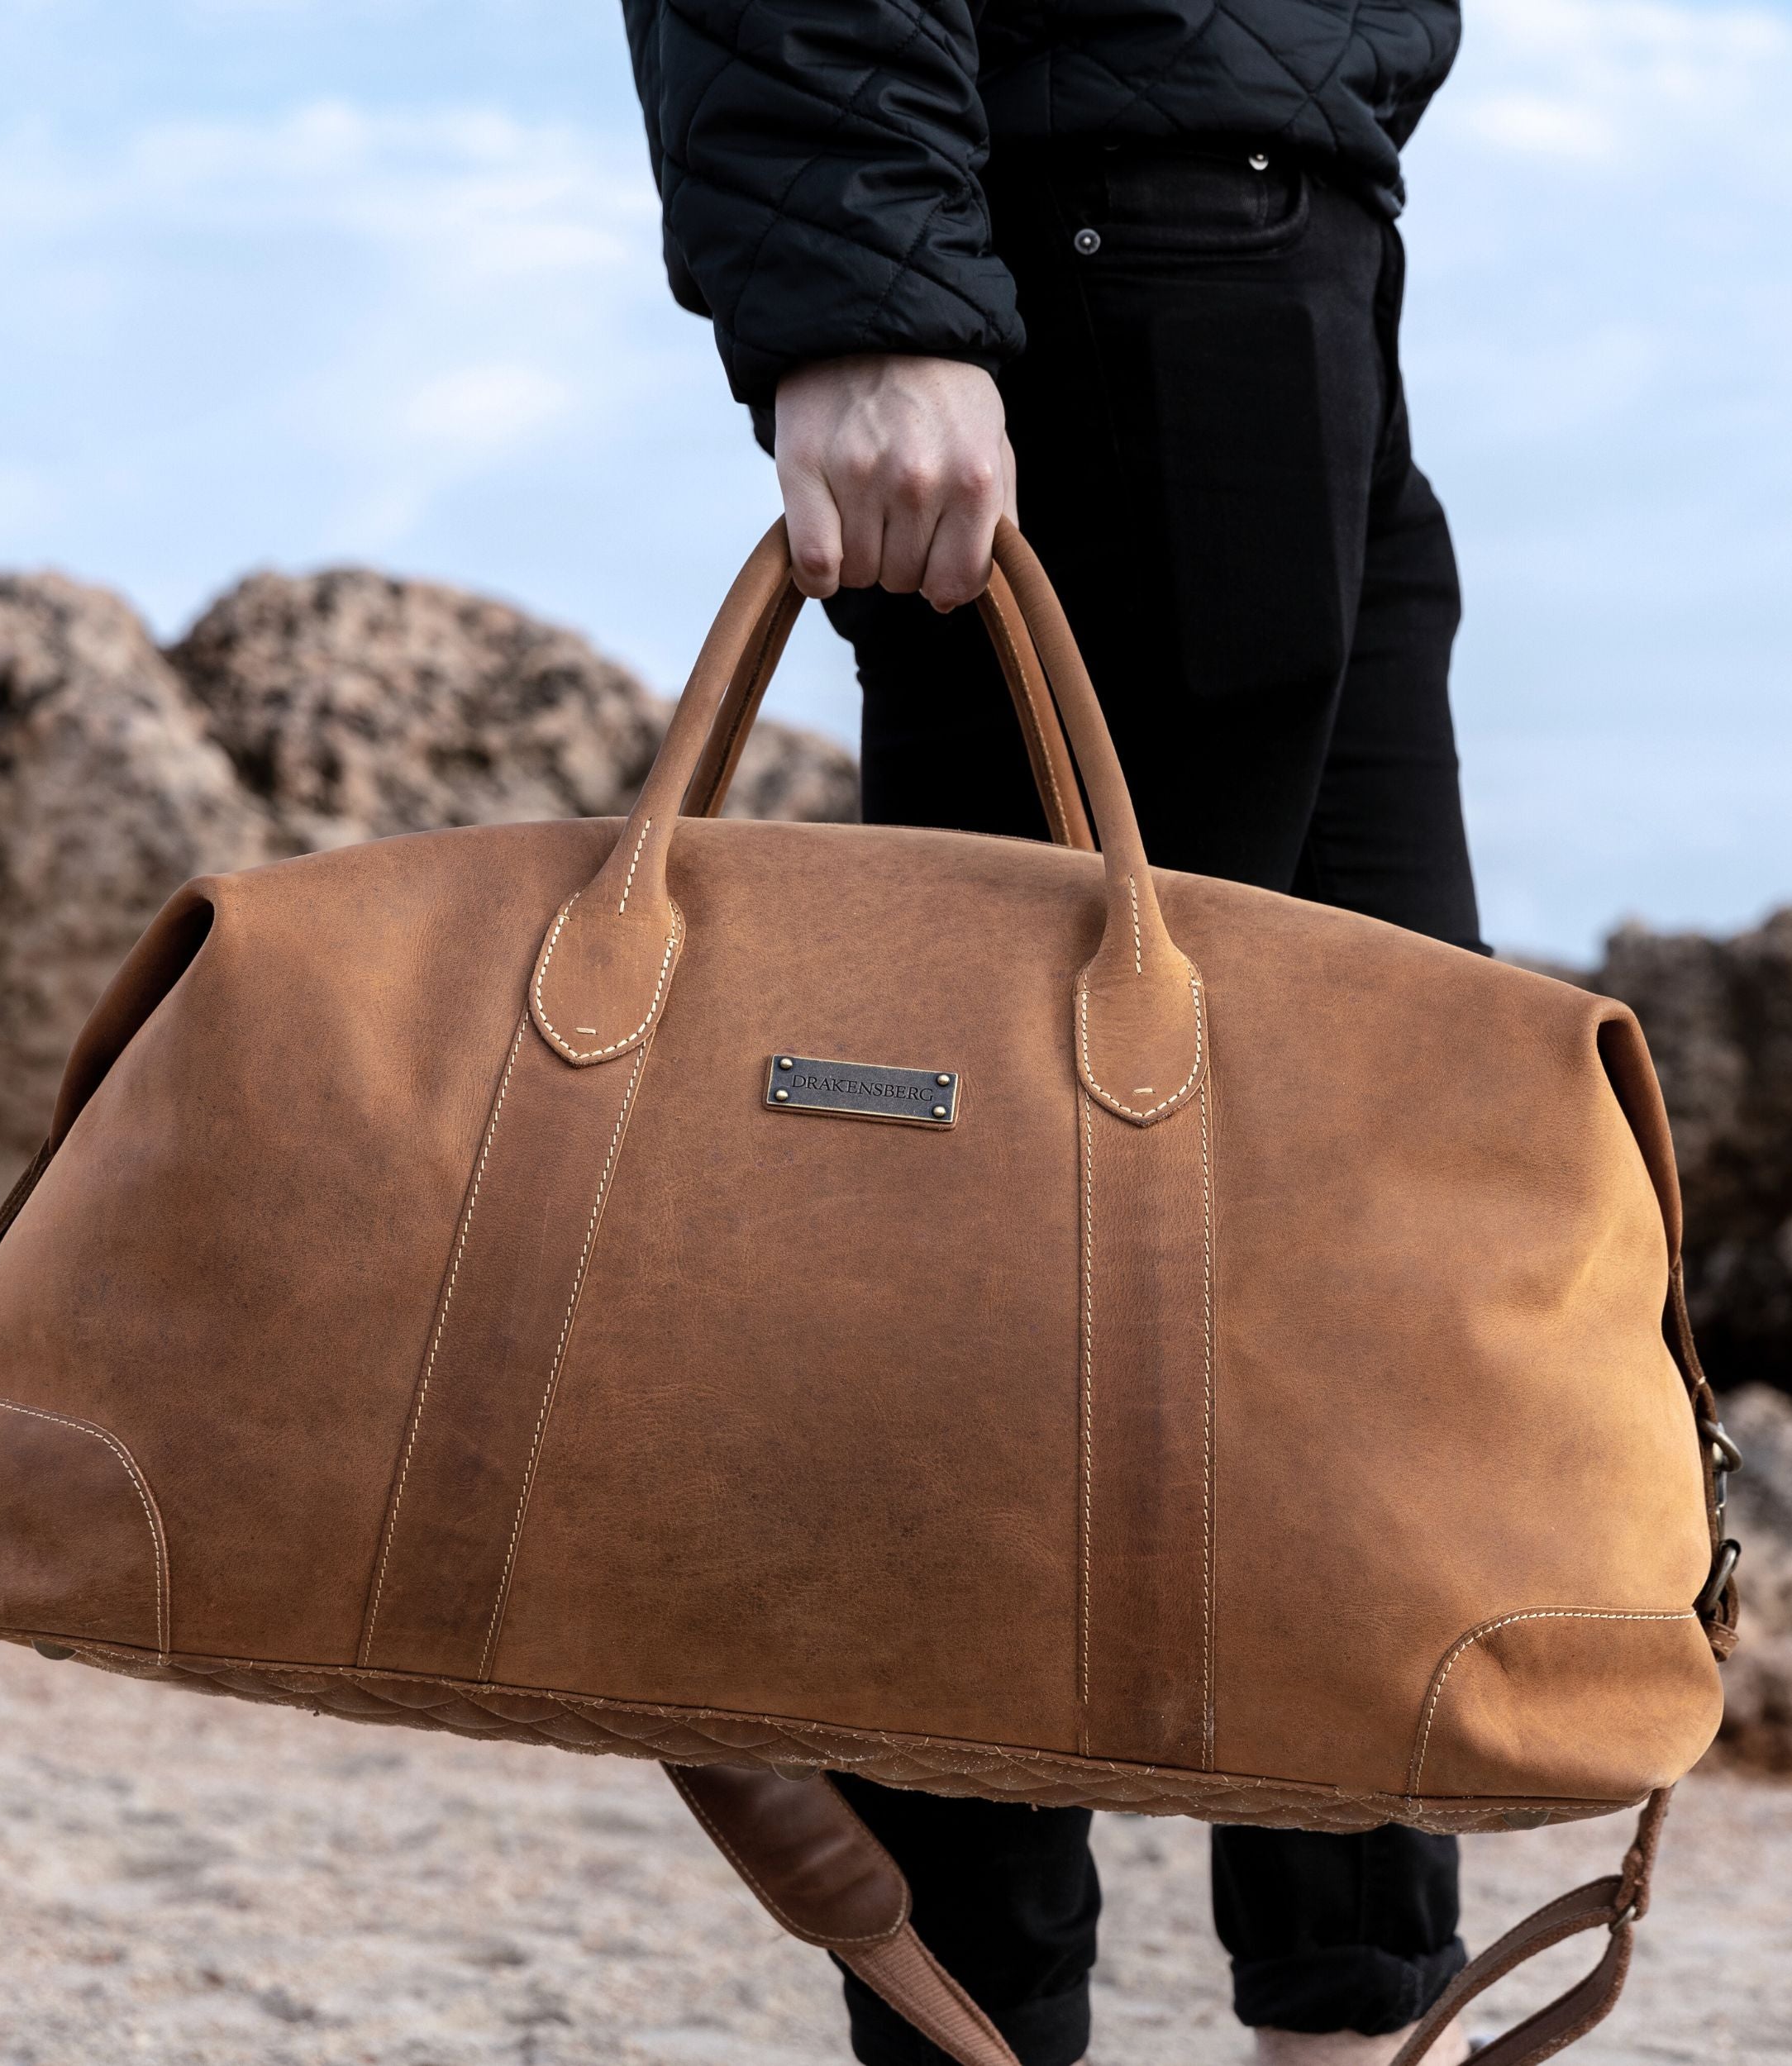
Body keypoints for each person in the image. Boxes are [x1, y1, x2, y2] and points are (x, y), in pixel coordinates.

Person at [622, 4, 1478, 2063]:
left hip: (1305, 245)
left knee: (1357, 1246)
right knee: (1003, 1275)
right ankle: (973, 2027)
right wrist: (861, 297)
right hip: (1096, 254)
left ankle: (1352, 2011)